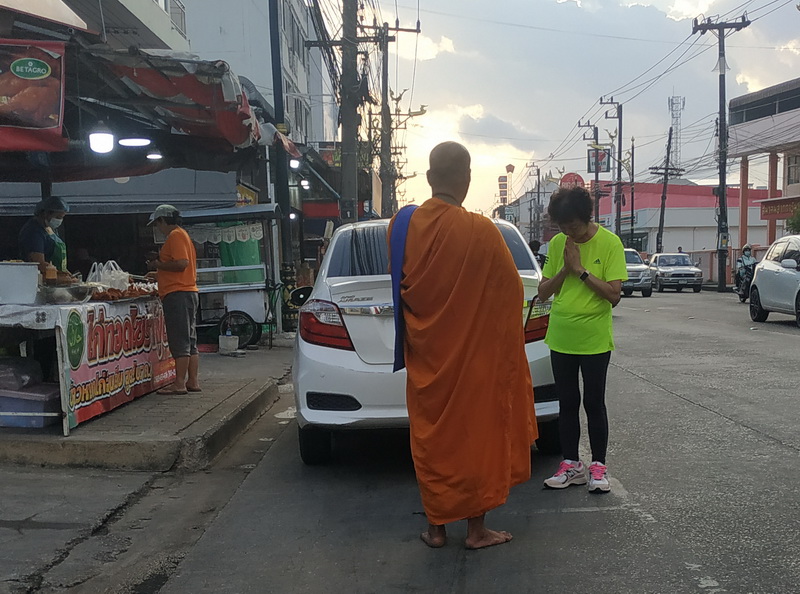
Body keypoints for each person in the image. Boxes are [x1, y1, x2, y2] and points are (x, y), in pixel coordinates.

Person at [389, 141, 537, 550]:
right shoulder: (482, 232)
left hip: (426, 360)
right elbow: (511, 293)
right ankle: (476, 531)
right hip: (472, 363)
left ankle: (436, 529)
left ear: (429, 177)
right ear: (468, 179)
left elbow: (406, 289)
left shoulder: (401, 226)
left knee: (431, 441)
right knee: (475, 440)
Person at [537, 186, 627, 494]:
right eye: (562, 227)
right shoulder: (558, 243)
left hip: (594, 339)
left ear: (586, 217)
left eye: (572, 226)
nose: (568, 232)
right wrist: (565, 269)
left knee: (593, 402)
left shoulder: (610, 243)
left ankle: (598, 467)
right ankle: (571, 464)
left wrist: (581, 271)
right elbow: (543, 292)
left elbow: (614, 296)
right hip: (561, 336)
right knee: (567, 403)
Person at [146, 205, 201, 395]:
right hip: (187, 292)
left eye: (157, 224)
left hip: (178, 294)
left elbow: (181, 263)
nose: (158, 228)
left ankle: (179, 383)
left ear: (162, 220)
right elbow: (179, 266)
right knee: (190, 340)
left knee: (180, 340)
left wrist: (158, 264)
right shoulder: (182, 234)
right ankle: (192, 381)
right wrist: (158, 273)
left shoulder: (175, 235)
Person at [18, 196, 73, 281]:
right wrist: (61, 277)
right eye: (58, 217)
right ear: (45, 214)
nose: (60, 220)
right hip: (42, 281)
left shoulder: (49, 228)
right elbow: (39, 264)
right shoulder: (34, 232)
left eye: (62, 217)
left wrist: (66, 274)